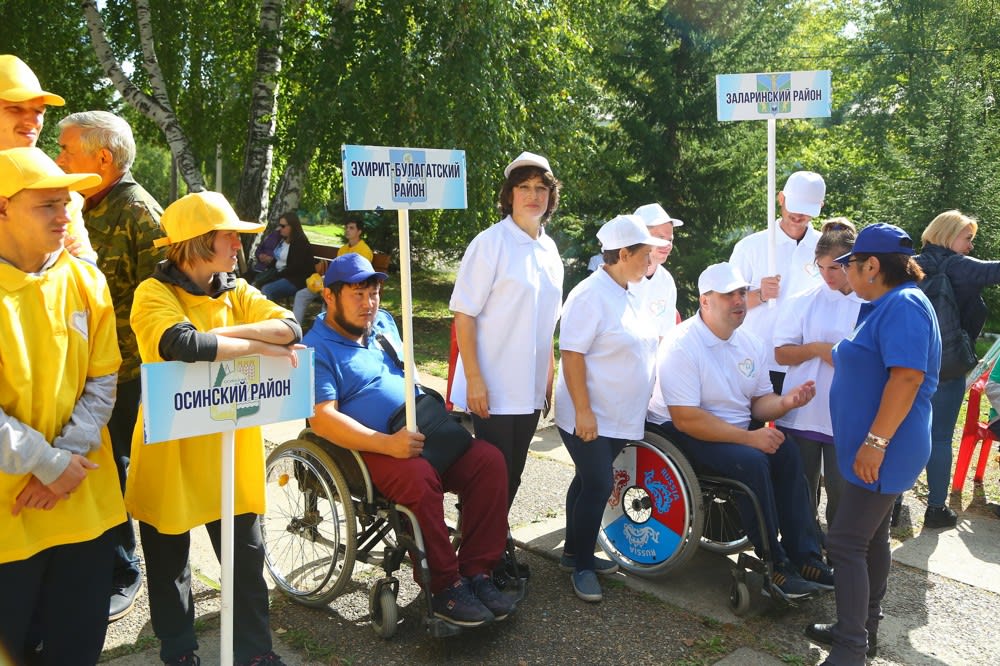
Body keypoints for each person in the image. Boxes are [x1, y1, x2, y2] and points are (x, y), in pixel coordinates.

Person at [126, 191, 300, 666]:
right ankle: (179, 652)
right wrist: (257, 346)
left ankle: (255, 653)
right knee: (169, 566)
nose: (238, 245)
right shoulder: (153, 293)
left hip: (230, 451)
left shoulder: (237, 290)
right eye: (229, 235)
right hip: (172, 451)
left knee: (245, 559)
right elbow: (182, 344)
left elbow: (290, 328)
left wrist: (226, 338)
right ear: (199, 241)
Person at [306, 254, 515, 627]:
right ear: (329, 296)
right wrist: (387, 444)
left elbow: (408, 367)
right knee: (418, 478)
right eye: (357, 295)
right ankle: (445, 587)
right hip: (369, 448)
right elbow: (321, 418)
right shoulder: (316, 347)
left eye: (374, 293)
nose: (369, 303)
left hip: (419, 428)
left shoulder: (383, 322)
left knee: (488, 462)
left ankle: (477, 572)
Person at [0, 147, 124, 664]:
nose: (65, 216)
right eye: (47, 205)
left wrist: (66, 461)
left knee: (77, 647)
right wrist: (49, 463)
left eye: (66, 203)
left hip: (82, 502)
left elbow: (103, 378)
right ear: (2, 207)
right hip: (10, 517)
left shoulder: (86, 280)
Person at [648, 262, 832, 600]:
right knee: (752, 461)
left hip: (734, 430)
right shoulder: (681, 345)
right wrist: (749, 438)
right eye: (728, 294)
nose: (739, 300)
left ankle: (806, 556)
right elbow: (686, 418)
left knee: (786, 450)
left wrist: (786, 402)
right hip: (681, 433)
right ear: (705, 301)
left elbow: (759, 403)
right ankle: (775, 563)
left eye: (742, 293)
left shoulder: (751, 343)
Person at [806, 223, 940, 665]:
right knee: (871, 537)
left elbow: (907, 377)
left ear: (873, 266)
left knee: (845, 542)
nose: (846, 273)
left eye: (852, 265)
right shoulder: (887, 304)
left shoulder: (903, 305)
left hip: (887, 447)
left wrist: (875, 442)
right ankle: (863, 628)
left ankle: (851, 649)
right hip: (880, 446)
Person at [55, 109, 164, 621]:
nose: (58, 158)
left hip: (126, 374)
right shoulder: (79, 205)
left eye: (66, 149)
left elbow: (162, 301)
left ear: (102, 158)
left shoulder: (139, 213)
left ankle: (123, 568)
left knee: (114, 467)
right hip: (83, 368)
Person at [555, 214, 668, 603]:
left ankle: (573, 554)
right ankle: (584, 566)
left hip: (618, 414)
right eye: (645, 254)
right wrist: (584, 412)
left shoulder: (626, 291)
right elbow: (572, 354)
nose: (650, 261)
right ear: (623, 254)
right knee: (599, 484)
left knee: (586, 482)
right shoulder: (589, 295)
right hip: (590, 414)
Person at [449, 152, 563, 531]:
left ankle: (491, 539)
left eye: (541, 188)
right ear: (509, 194)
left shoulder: (550, 250)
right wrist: (474, 379)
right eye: (524, 187)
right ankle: (479, 547)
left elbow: (547, 322)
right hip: (493, 385)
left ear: (551, 196)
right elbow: (464, 314)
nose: (533, 195)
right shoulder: (490, 244)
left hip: (529, 387)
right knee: (492, 474)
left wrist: (548, 376)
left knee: (513, 472)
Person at [899, 210, 1000, 529]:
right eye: (967, 238)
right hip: (947, 365)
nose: (970, 246)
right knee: (940, 437)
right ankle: (936, 509)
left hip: (904, 362)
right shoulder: (958, 266)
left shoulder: (908, 263)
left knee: (898, 429)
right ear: (948, 234)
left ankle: (891, 503)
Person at [773, 219, 863, 530]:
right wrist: (816, 349)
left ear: (854, 262)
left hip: (846, 414)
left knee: (842, 492)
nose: (827, 275)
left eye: (834, 268)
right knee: (801, 490)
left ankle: (840, 548)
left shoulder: (870, 302)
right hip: (804, 411)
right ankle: (805, 545)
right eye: (821, 267)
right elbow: (781, 353)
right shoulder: (803, 300)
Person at [730, 171, 826, 394]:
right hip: (753, 359)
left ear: (820, 207)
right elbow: (725, 305)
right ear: (781, 198)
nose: (798, 215)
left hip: (804, 363)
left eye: (806, 209)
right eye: (795, 206)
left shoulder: (825, 249)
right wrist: (759, 295)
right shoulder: (750, 247)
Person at [0, 54, 96, 262]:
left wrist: (62, 261)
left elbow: (86, 267)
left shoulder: (57, 186)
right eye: (15, 109)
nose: (32, 121)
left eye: (38, 111)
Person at [292, 217, 373, 324]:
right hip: (333, 282)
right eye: (346, 228)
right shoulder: (343, 249)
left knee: (328, 299)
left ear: (359, 232)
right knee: (301, 295)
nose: (347, 230)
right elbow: (336, 269)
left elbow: (360, 276)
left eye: (351, 228)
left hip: (349, 286)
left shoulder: (365, 251)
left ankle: (325, 329)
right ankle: (295, 328)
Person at [632, 203, 684, 338]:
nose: (668, 245)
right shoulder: (617, 278)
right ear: (639, 237)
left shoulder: (666, 281)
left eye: (670, 240)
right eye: (660, 238)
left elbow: (665, 336)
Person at [254, 211, 314, 303]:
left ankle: (268, 312)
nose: (279, 229)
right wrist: (268, 269)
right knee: (254, 285)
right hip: (281, 275)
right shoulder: (283, 240)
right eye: (279, 225)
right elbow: (277, 259)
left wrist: (275, 276)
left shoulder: (300, 243)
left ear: (292, 227)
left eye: (283, 226)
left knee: (267, 290)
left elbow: (295, 268)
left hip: (296, 280)